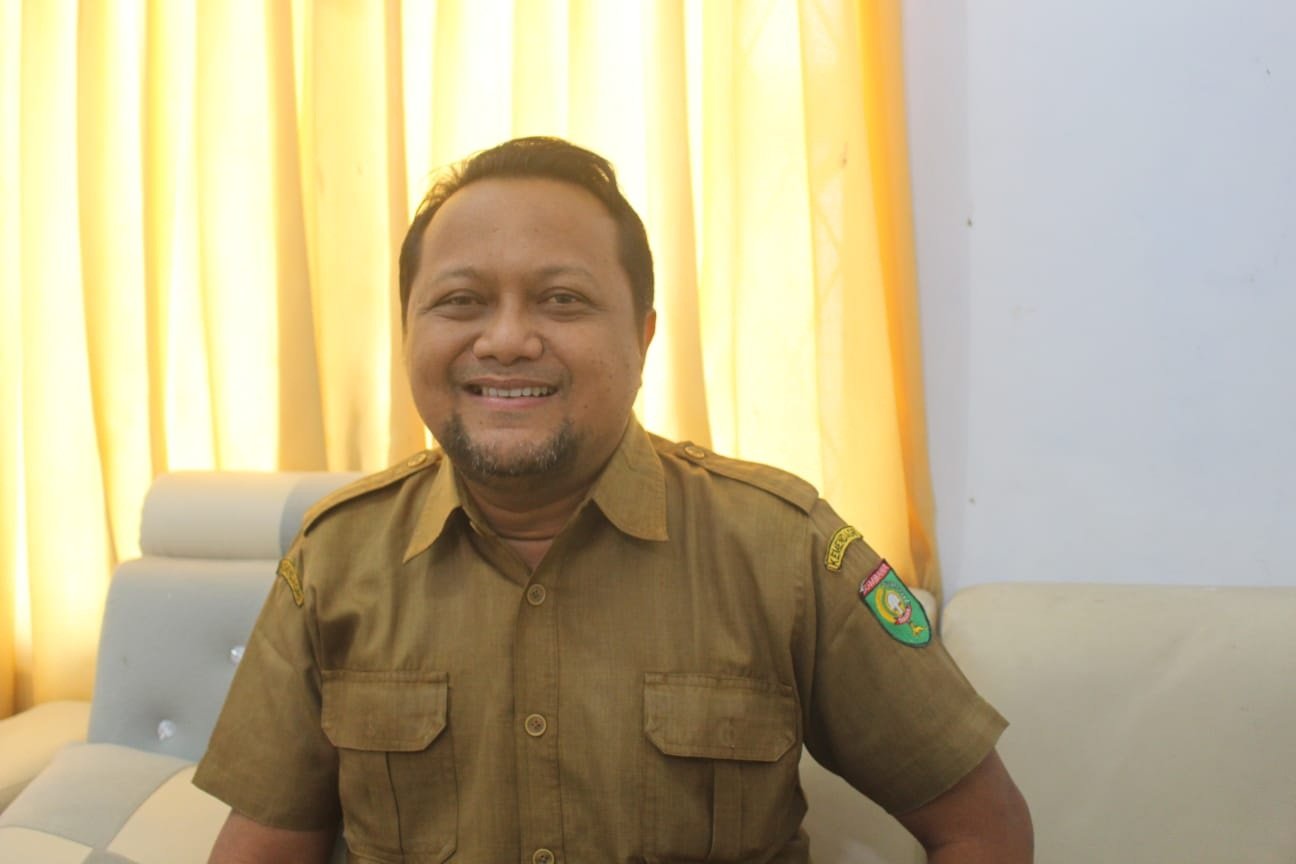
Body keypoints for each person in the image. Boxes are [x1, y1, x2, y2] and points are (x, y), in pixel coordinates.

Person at [194, 136, 1032, 863]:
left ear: (643, 334)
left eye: (561, 300)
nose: (506, 339)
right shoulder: (336, 560)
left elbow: (982, 828)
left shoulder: (781, 549)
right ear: (409, 330)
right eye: (460, 302)